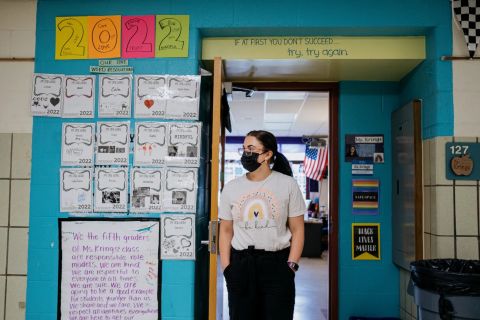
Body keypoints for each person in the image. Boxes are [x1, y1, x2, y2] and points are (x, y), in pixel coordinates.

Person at [219, 130, 305, 320]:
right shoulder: (231, 188)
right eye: (243, 149)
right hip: (241, 265)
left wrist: (291, 266)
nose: (245, 154)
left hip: (277, 266)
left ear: (267, 154)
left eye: (251, 149)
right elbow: (225, 230)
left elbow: (298, 229)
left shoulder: (288, 184)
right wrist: (227, 268)